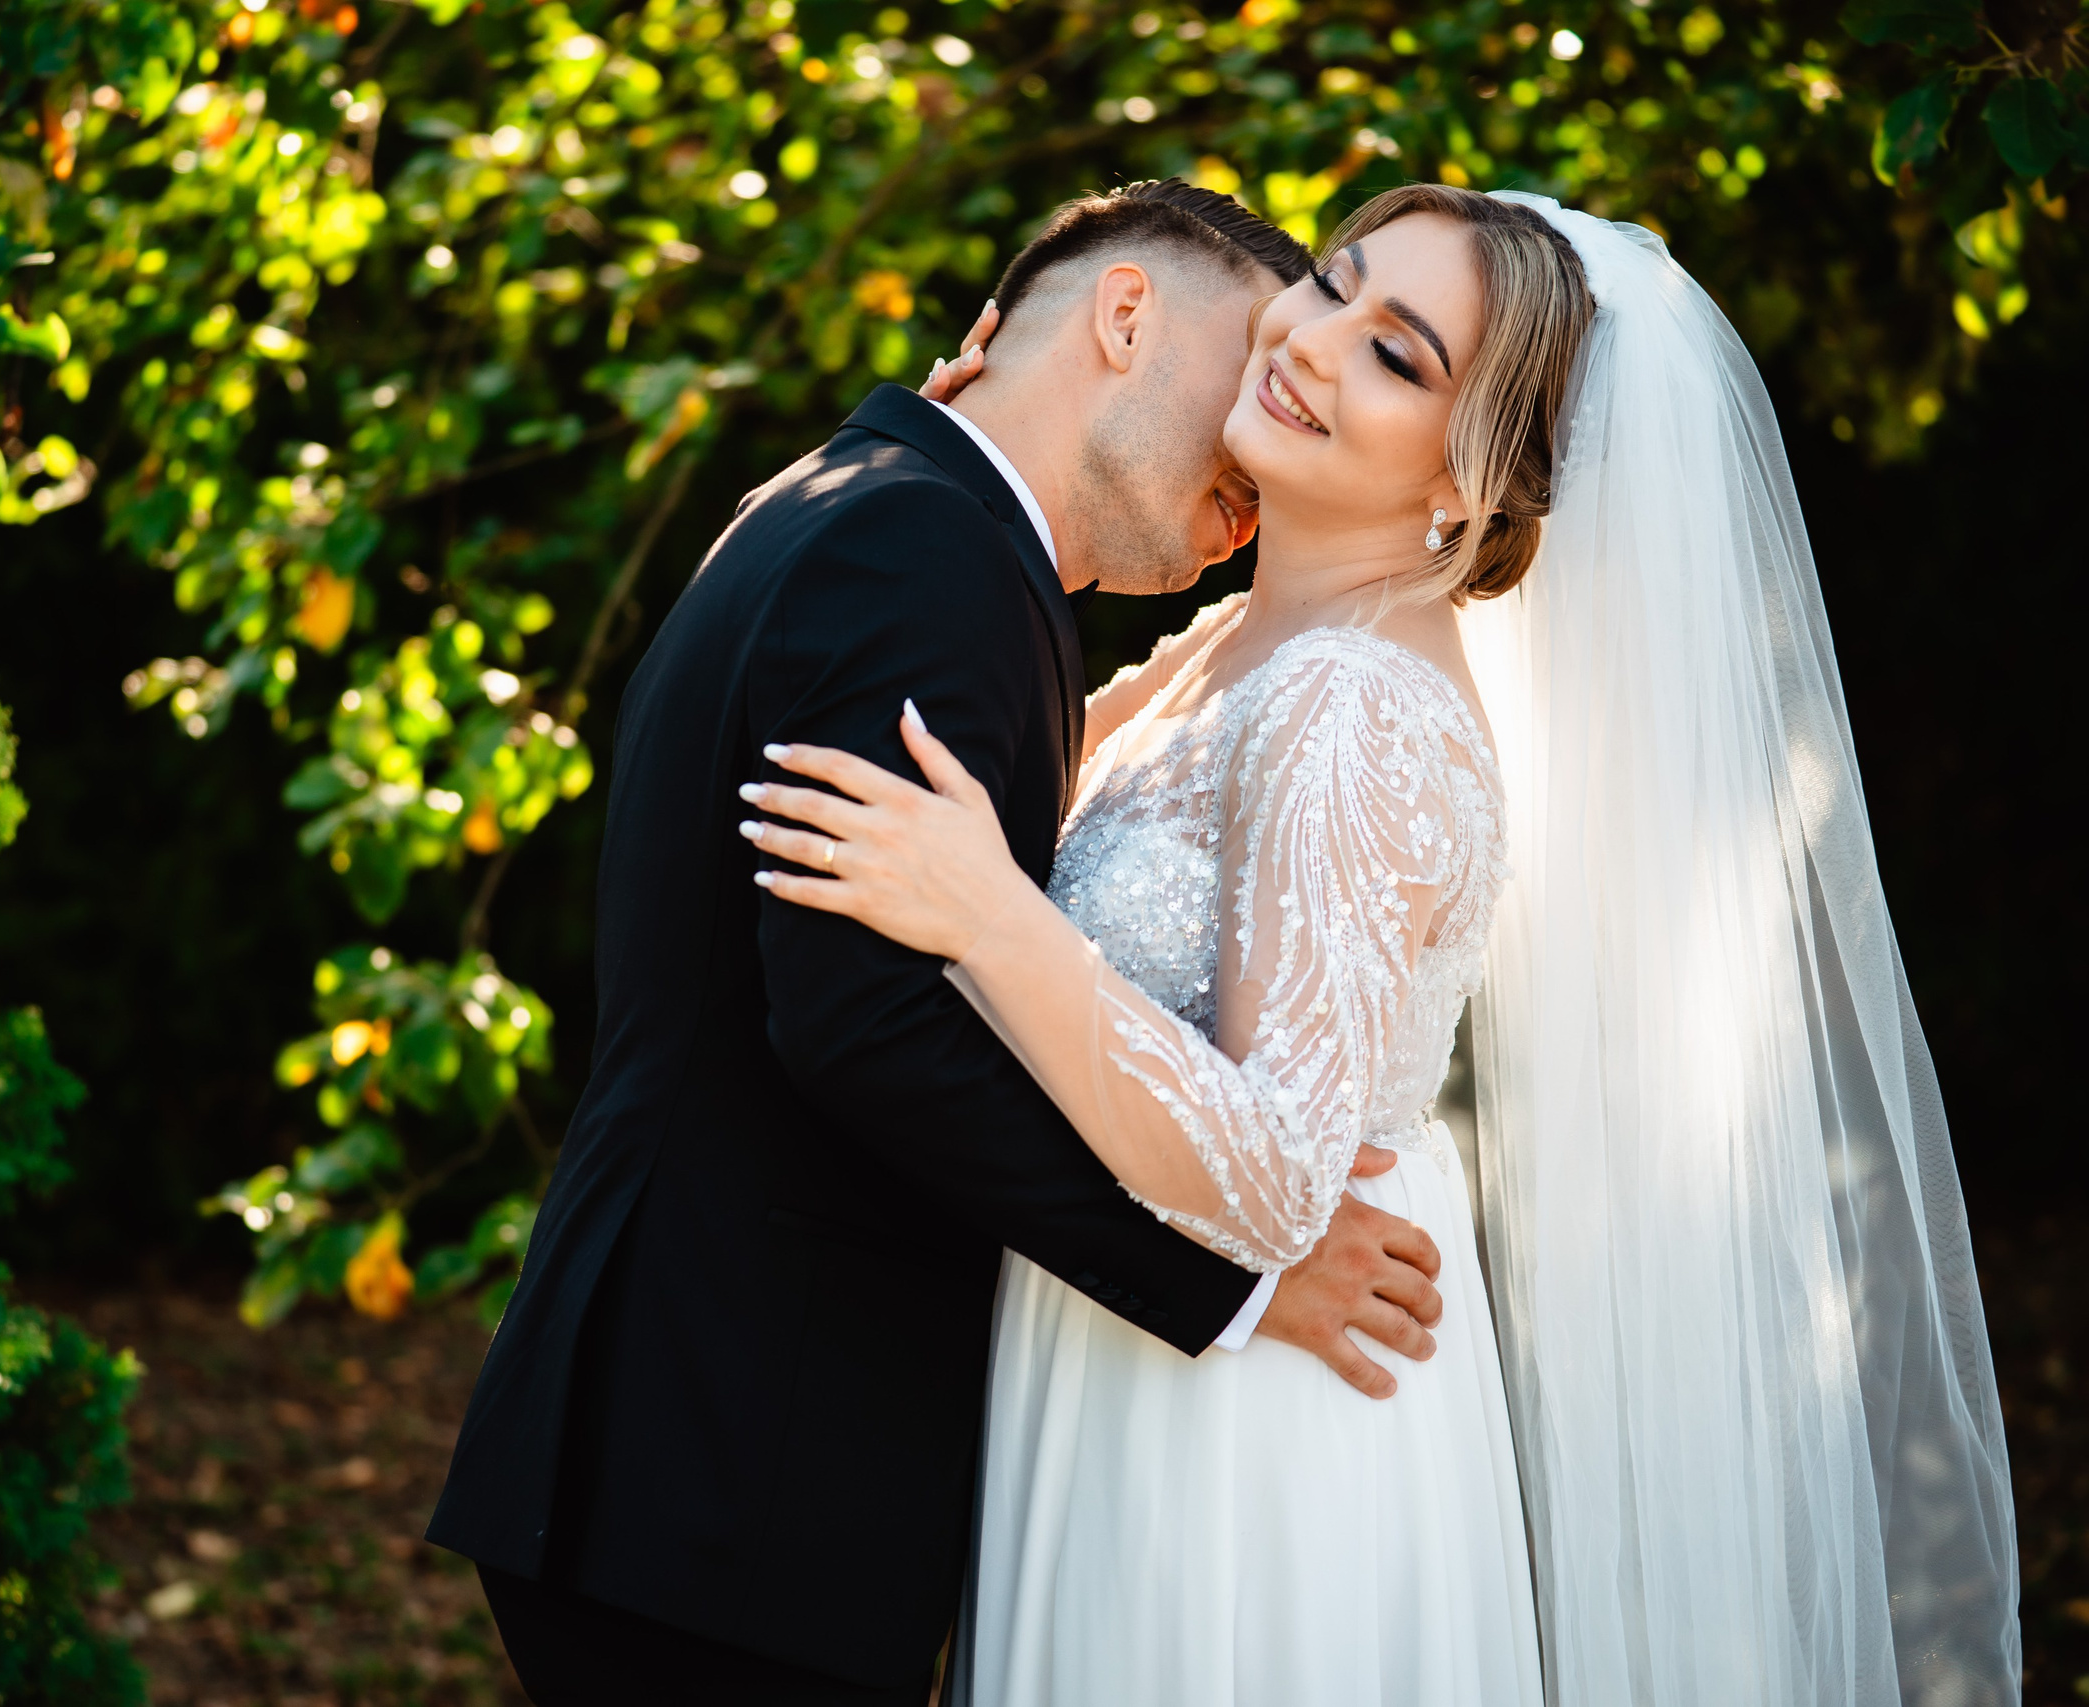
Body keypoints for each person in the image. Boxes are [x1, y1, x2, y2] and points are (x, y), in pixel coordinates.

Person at [749, 187, 2021, 1704]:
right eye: (1337, 285)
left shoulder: (1359, 711)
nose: (1312, 341)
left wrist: (997, 919)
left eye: (1399, 358)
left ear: (1466, 492)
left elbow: (1279, 1177)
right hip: (1132, 1362)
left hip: (1251, 1436)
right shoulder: (1247, 651)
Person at [427, 181, 1451, 1705]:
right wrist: (1236, 1283)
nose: (1255, 441)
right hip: (736, 1467)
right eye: (1249, 364)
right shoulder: (925, 555)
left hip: (685, 1455)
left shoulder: (862, 506)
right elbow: (867, 1025)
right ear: (1122, 317)